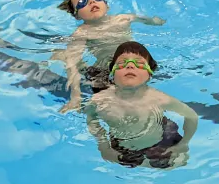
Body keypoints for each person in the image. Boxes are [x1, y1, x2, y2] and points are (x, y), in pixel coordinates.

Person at [84, 41, 199, 169]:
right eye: (122, 63)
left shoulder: (159, 99)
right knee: (125, 162)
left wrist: (184, 143)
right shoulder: (100, 100)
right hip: (123, 144)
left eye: (139, 64)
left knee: (179, 162)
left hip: (161, 139)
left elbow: (191, 116)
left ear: (149, 75)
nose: (130, 66)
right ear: (112, 73)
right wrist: (103, 146)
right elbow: (91, 117)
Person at [53, 0, 166, 113]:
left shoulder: (124, 19)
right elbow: (72, 63)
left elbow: (148, 20)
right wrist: (76, 97)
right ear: (77, 16)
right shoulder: (82, 33)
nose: (91, 1)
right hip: (105, 71)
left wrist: (157, 21)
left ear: (107, 5)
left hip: (133, 63)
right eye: (82, 2)